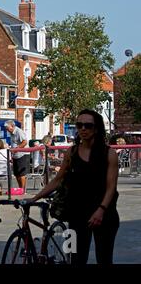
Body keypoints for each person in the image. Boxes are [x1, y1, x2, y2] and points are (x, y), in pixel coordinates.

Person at [29, 109, 119, 264]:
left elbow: (111, 187)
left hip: (105, 215)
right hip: (76, 214)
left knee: (104, 258)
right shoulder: (71, 152)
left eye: (88, 125)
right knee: (75, 259)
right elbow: (58, 180)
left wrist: (101, 210)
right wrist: (35, 197)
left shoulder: (109, 154)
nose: (83, 129)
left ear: (96, 128)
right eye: (79, 125)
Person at [4, 120, 29, 192]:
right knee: (16, 174)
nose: (7, 130)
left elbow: (24, 142)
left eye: (7, 128)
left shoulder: (19, 131)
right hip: (15, 155)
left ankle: (23, 190)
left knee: (21, 174)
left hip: (22, 154)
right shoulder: (11, 133)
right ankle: (20, 189)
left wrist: (17, 148)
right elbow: (13, 144)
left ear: (12, 126)